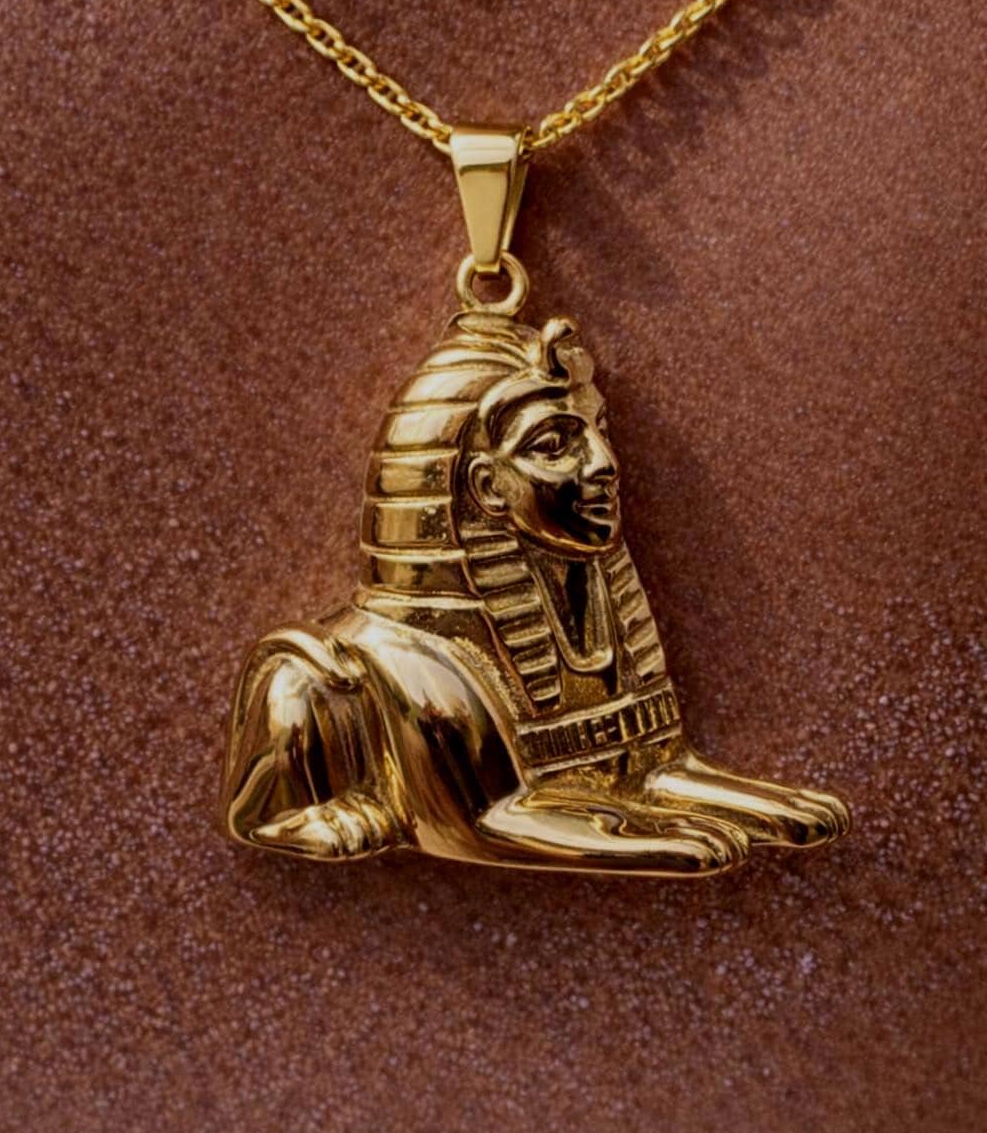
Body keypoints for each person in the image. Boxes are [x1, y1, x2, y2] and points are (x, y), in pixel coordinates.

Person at [222, 308, 850, 875]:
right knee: (301, 674)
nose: (604, 463)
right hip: (470, 802)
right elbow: (477, 823)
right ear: (487, 488)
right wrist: (647, 843)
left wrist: (764, 806)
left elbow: (650, 772)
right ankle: (283, 817)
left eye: (598, 430)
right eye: (556, 446)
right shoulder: (417, 660)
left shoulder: (599, 612)